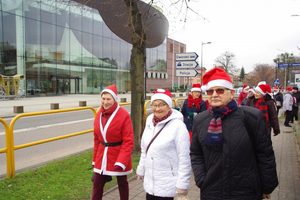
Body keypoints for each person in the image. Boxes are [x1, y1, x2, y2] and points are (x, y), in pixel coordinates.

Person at [190, 68, 278, 200]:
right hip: (212, 191)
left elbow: (265, 154)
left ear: (231, 93)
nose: (214, 94)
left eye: (220, 90)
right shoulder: (200, 120)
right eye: (210, 91)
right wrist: (201, 179)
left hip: (246, 191)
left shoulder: (251, 117)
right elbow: (196, 153)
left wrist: (267, 186)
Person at [136, 88, 191, 199]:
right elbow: (145, 149)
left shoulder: (178, 126)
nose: (157, 109)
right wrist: (141, 169)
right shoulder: (149, 121)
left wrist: (182, 184)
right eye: (154, 105)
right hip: (150, 184)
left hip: (169, 184)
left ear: (169, 106)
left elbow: (184, 158)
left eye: (162, 105)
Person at [91, 84, 134, 200]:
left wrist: (121, 161)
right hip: (102, 154)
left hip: (118, 153)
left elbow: (128, 140)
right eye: (103, 98)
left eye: (108, 99)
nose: (105, 102)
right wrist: (94, 159)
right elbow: (96, 139)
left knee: (122, 183)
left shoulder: (123, 115)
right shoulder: (99, 113)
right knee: (97, 183)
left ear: (114, 100)